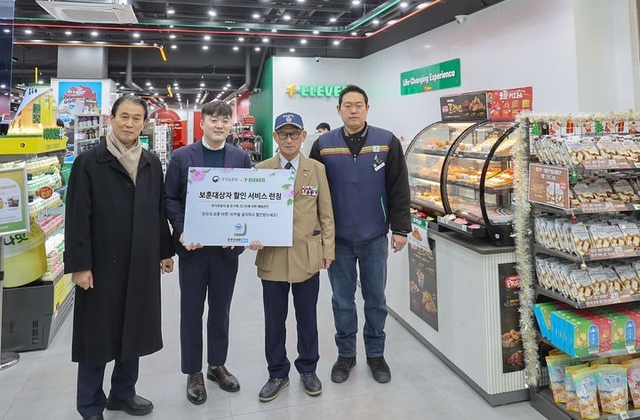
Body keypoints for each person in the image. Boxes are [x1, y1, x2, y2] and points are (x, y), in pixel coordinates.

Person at [64, 95, 175, 420]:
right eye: (124, 116)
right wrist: (80, 265)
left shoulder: (150, 162)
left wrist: (165, 251)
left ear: (144, 124)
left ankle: (123, 393)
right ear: (111, 119)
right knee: (96, 337)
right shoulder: (89, 162)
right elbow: (77, 217)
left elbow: (157, 211)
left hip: (141, 262)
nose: (129, 123)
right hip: (101, 266)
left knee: (134, 328)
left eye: (136, 118)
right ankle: (90, 405)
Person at [309, 84, 411, 384]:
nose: (353, 110)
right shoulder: (323, 145)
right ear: (338, 109)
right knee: (342, 301)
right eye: (347, 105)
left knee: (375, 299)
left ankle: (376, 354)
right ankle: (346, 355)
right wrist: (316, 233)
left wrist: (400, 228)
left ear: (367, 108)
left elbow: (398, 187)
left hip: (374, 236)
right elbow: (312, 191)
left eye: (359, 105)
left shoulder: (386, 142)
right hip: (337, 239)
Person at [164, 100, 252, 405]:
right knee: (191, 311)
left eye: (225, 120)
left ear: (230, 125)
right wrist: (182, 229)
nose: (219, 125)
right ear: (202, 123)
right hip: (194, 249)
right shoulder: (181, 156)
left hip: (226, 251)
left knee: (220, 310)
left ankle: (216, 365)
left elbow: (248, 197)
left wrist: (243, 233)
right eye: (213, 119)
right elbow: (170, 198)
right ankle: (193, 372)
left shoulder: (240, 157)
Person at [248, 112, 335, 402]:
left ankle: (308, 369)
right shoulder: (261, 169)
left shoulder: (316, 169)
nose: (289, 139)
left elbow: (326, 214)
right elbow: (252, 213)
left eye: (294, 134)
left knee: (307, 318)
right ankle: (277, 373)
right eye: (283, 134)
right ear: (275, 137)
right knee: (274, 320)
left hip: (307, 256)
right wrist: (251, 235)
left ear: (303, 136)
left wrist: (328, 250)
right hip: (272, 256)